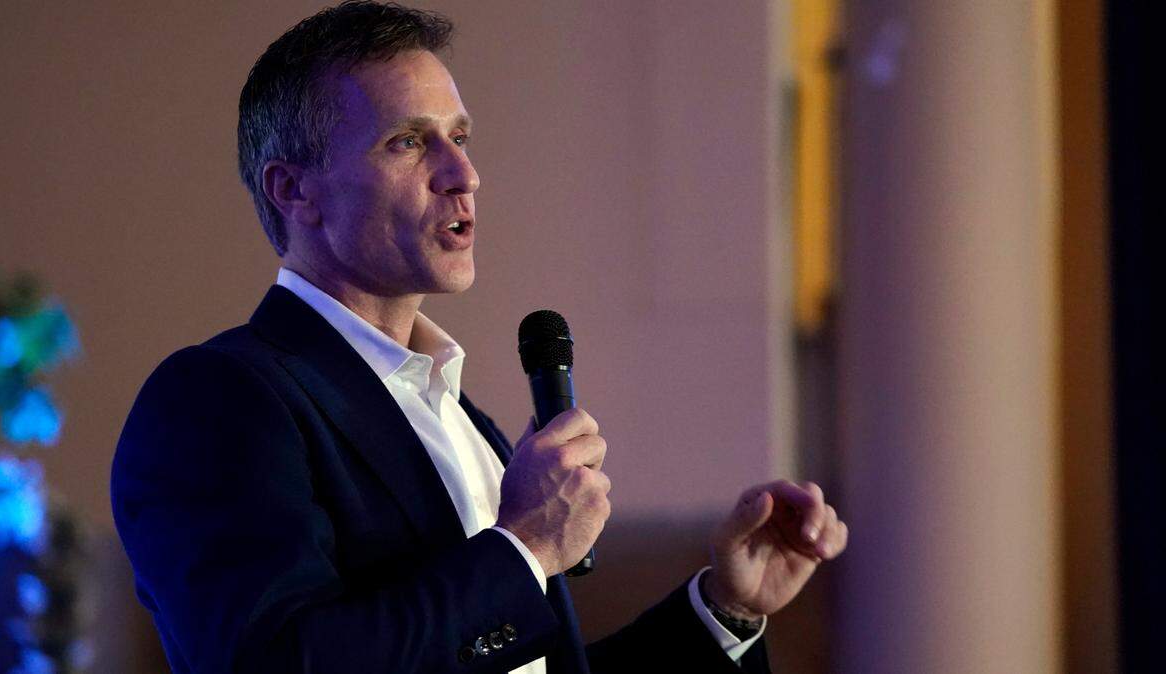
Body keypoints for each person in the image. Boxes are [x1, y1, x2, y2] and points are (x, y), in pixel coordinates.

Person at [110, 3, 848, 673]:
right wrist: (524, 545)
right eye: (408, 142)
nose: (464, 174)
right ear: (293, 190)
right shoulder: (218, 400)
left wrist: (725, 608)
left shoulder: (460, 420)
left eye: (459, 138)